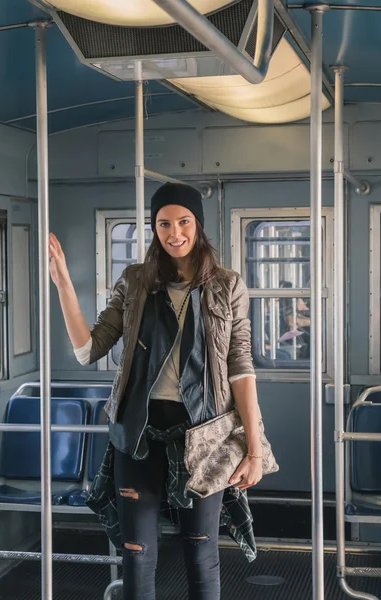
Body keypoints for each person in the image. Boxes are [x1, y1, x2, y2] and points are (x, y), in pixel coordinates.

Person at [49, 182, 265, 600]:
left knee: (202, 553)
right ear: (154, 229)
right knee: (136, 553)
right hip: (139, 433)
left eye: (183, 221)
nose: (174, 233)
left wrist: (254, 451)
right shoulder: (134, 282)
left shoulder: (227, 285)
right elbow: (88, 350)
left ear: (197, 225)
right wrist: (62, 284)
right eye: (163, 224)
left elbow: (241, 369)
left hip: (203, 435)